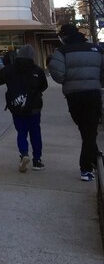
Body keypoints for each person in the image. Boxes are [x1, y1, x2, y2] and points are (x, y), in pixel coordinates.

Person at [47, 24, 104, 182]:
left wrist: (68, 80)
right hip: (93, 93)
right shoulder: (96, 49)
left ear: (65, 36)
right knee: (89, 129)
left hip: (74, 95)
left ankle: (87, 165)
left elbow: (57, 73)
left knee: (85, 128)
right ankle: (93, 156)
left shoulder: (62, 52)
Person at [0, 44, 48, 172]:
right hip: (34, 106)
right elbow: (43, 86)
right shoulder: (37, 71)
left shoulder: (10, 69)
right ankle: (37, 160)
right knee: (35, 132)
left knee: (21, 132)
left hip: (17, 107)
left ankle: (24, 154)